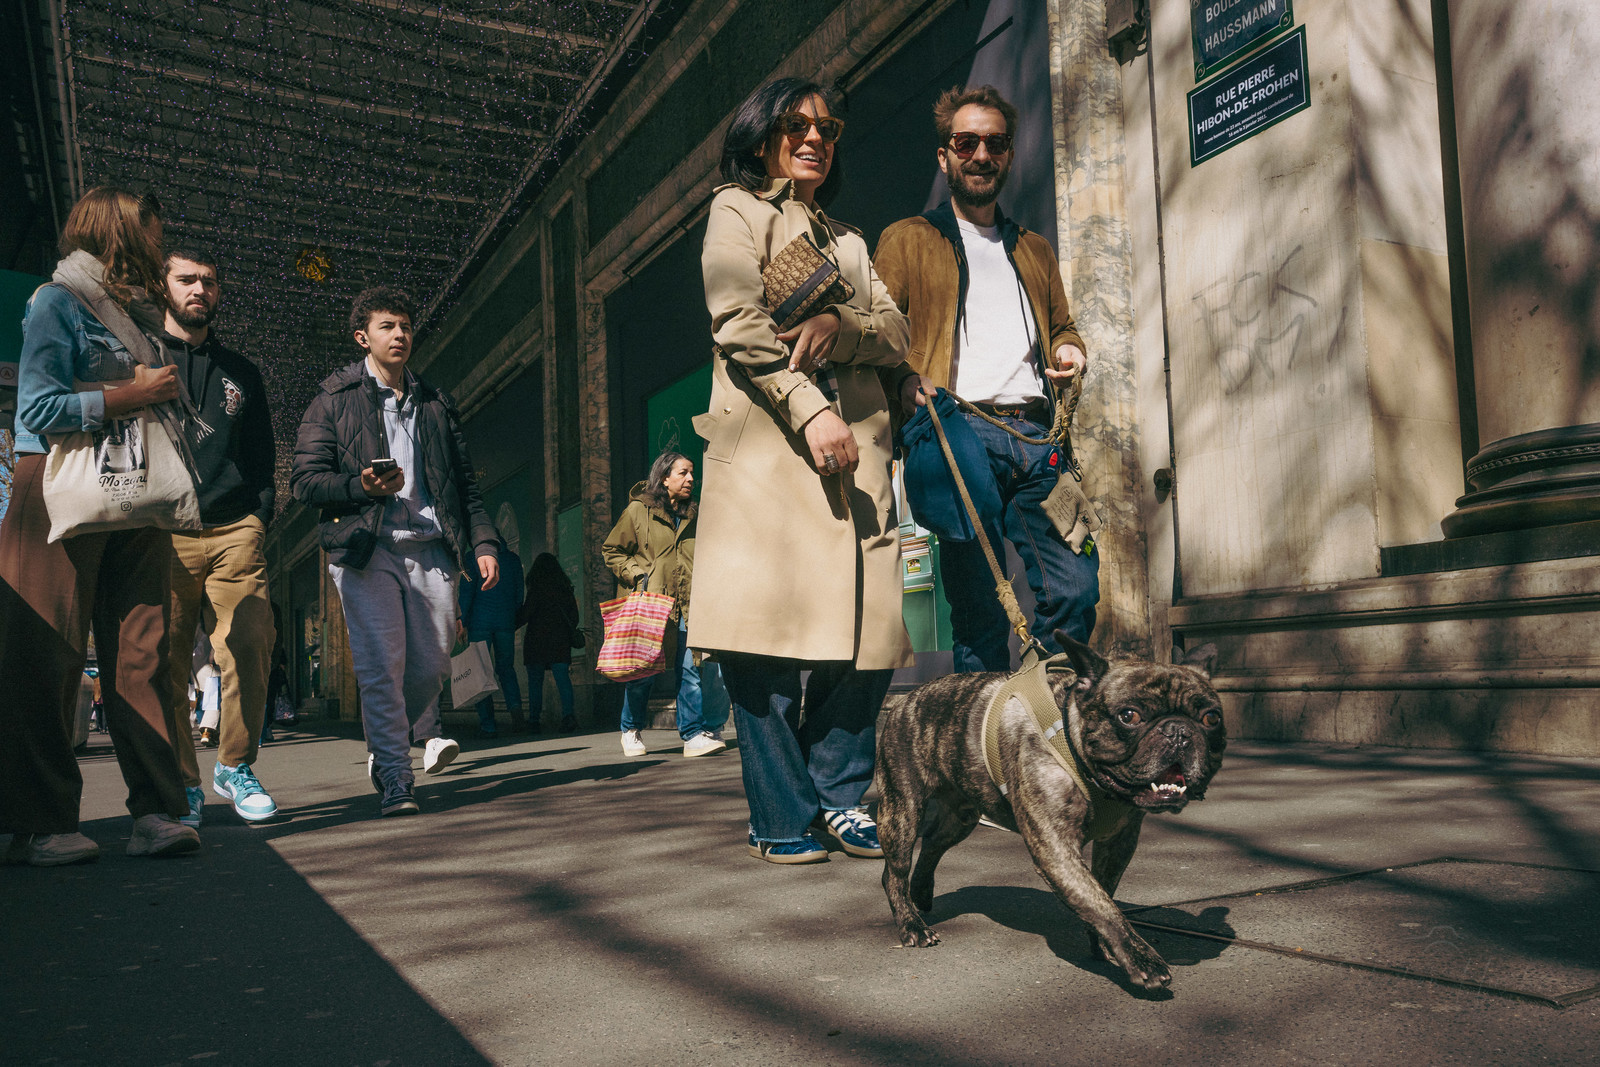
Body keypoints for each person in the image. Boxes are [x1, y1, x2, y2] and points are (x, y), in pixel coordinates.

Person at [689, 78, 916, 864]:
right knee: (767, 646)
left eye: (828, 125)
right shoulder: (736, 209)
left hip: (860, 461)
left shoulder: (848, 239)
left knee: (868, 641)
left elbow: (895, 332)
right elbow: (738, 320)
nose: (816, 136)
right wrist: (808, 406)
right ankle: (783, 814)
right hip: (770, 457)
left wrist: (838, 324)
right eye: (796, 124)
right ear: (761, 134)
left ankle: (839, 795)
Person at [0, 186, 200, 864]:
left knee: (144, 648)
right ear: (119, 230)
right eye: (152, 227)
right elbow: (39, 404)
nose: (161, 240)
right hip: (58, 487)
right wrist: (134, 393)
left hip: (133, 492)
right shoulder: (55, 301)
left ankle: (158, 810)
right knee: (47, 654)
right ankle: (42, 819)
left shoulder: (138, 315)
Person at [874, 84, 1100, 672]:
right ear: (944, 155)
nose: (981, 155)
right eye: (966, 142)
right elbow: (875, 338)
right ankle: (984, 751)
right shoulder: (907, 241)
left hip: (1036, 438)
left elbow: (1063, 326)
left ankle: (1050, 726)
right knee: (980, 611)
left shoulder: (1035, 249)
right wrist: (903, 383)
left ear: (1007, 154)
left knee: (1074, 587)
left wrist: (1071, 351)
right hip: (956, 436)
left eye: (994, 143)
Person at [289, 286, 499, 818]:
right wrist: (360, 486)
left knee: (430, 667)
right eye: (388, 326)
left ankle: (386, 743)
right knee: (382, 664)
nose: (400, 335)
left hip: (431, 550)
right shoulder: (332, 400)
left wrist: (482, 542)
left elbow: (464, 487)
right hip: (367, 549)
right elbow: (305, 482)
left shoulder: (434, 403)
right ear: (363, 337)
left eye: (406, 326)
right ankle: (394, 775)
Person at [158, 248, 279, 826]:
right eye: (186, 279)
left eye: (209, 281)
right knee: (168, 656)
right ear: (164, 288)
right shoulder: (140, 357)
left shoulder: (242, 372)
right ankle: (182, 782)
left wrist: (258, 516)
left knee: (251, 641)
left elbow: (261, 456)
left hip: (234, 527)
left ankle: (235, 765)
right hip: (165, 529)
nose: (199, 289)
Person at [601, 451, 724, 759]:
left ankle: (693, 734)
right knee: (644, 673)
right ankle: (630, 728)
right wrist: (637, 573)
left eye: (692, 473)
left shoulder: (695, 515)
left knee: (691, 668)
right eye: (683, 473)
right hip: (652, 601)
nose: (691, 479)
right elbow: (612, 550)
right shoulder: (637, 511)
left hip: (690, 601)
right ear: (664, 477)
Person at [457, 537, 525, 737]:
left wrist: (462, 622)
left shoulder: (472, 558)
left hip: (480, 625)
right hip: (505, 624)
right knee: (506, 668)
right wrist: (512, 617)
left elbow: (467, 592)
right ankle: (515, 709)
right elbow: (519, 593)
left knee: (480, 673)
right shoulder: (512, 559)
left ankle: (488, 724)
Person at [517, 552, 579, 734]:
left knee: (535, 682)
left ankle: (534, 720)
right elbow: (574, 618)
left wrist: (507, 624)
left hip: (536, 643)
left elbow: (525, 615)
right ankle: (568, 717)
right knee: (563, 679)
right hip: (560, 642)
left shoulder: (536, 590)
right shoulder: (566, 590)